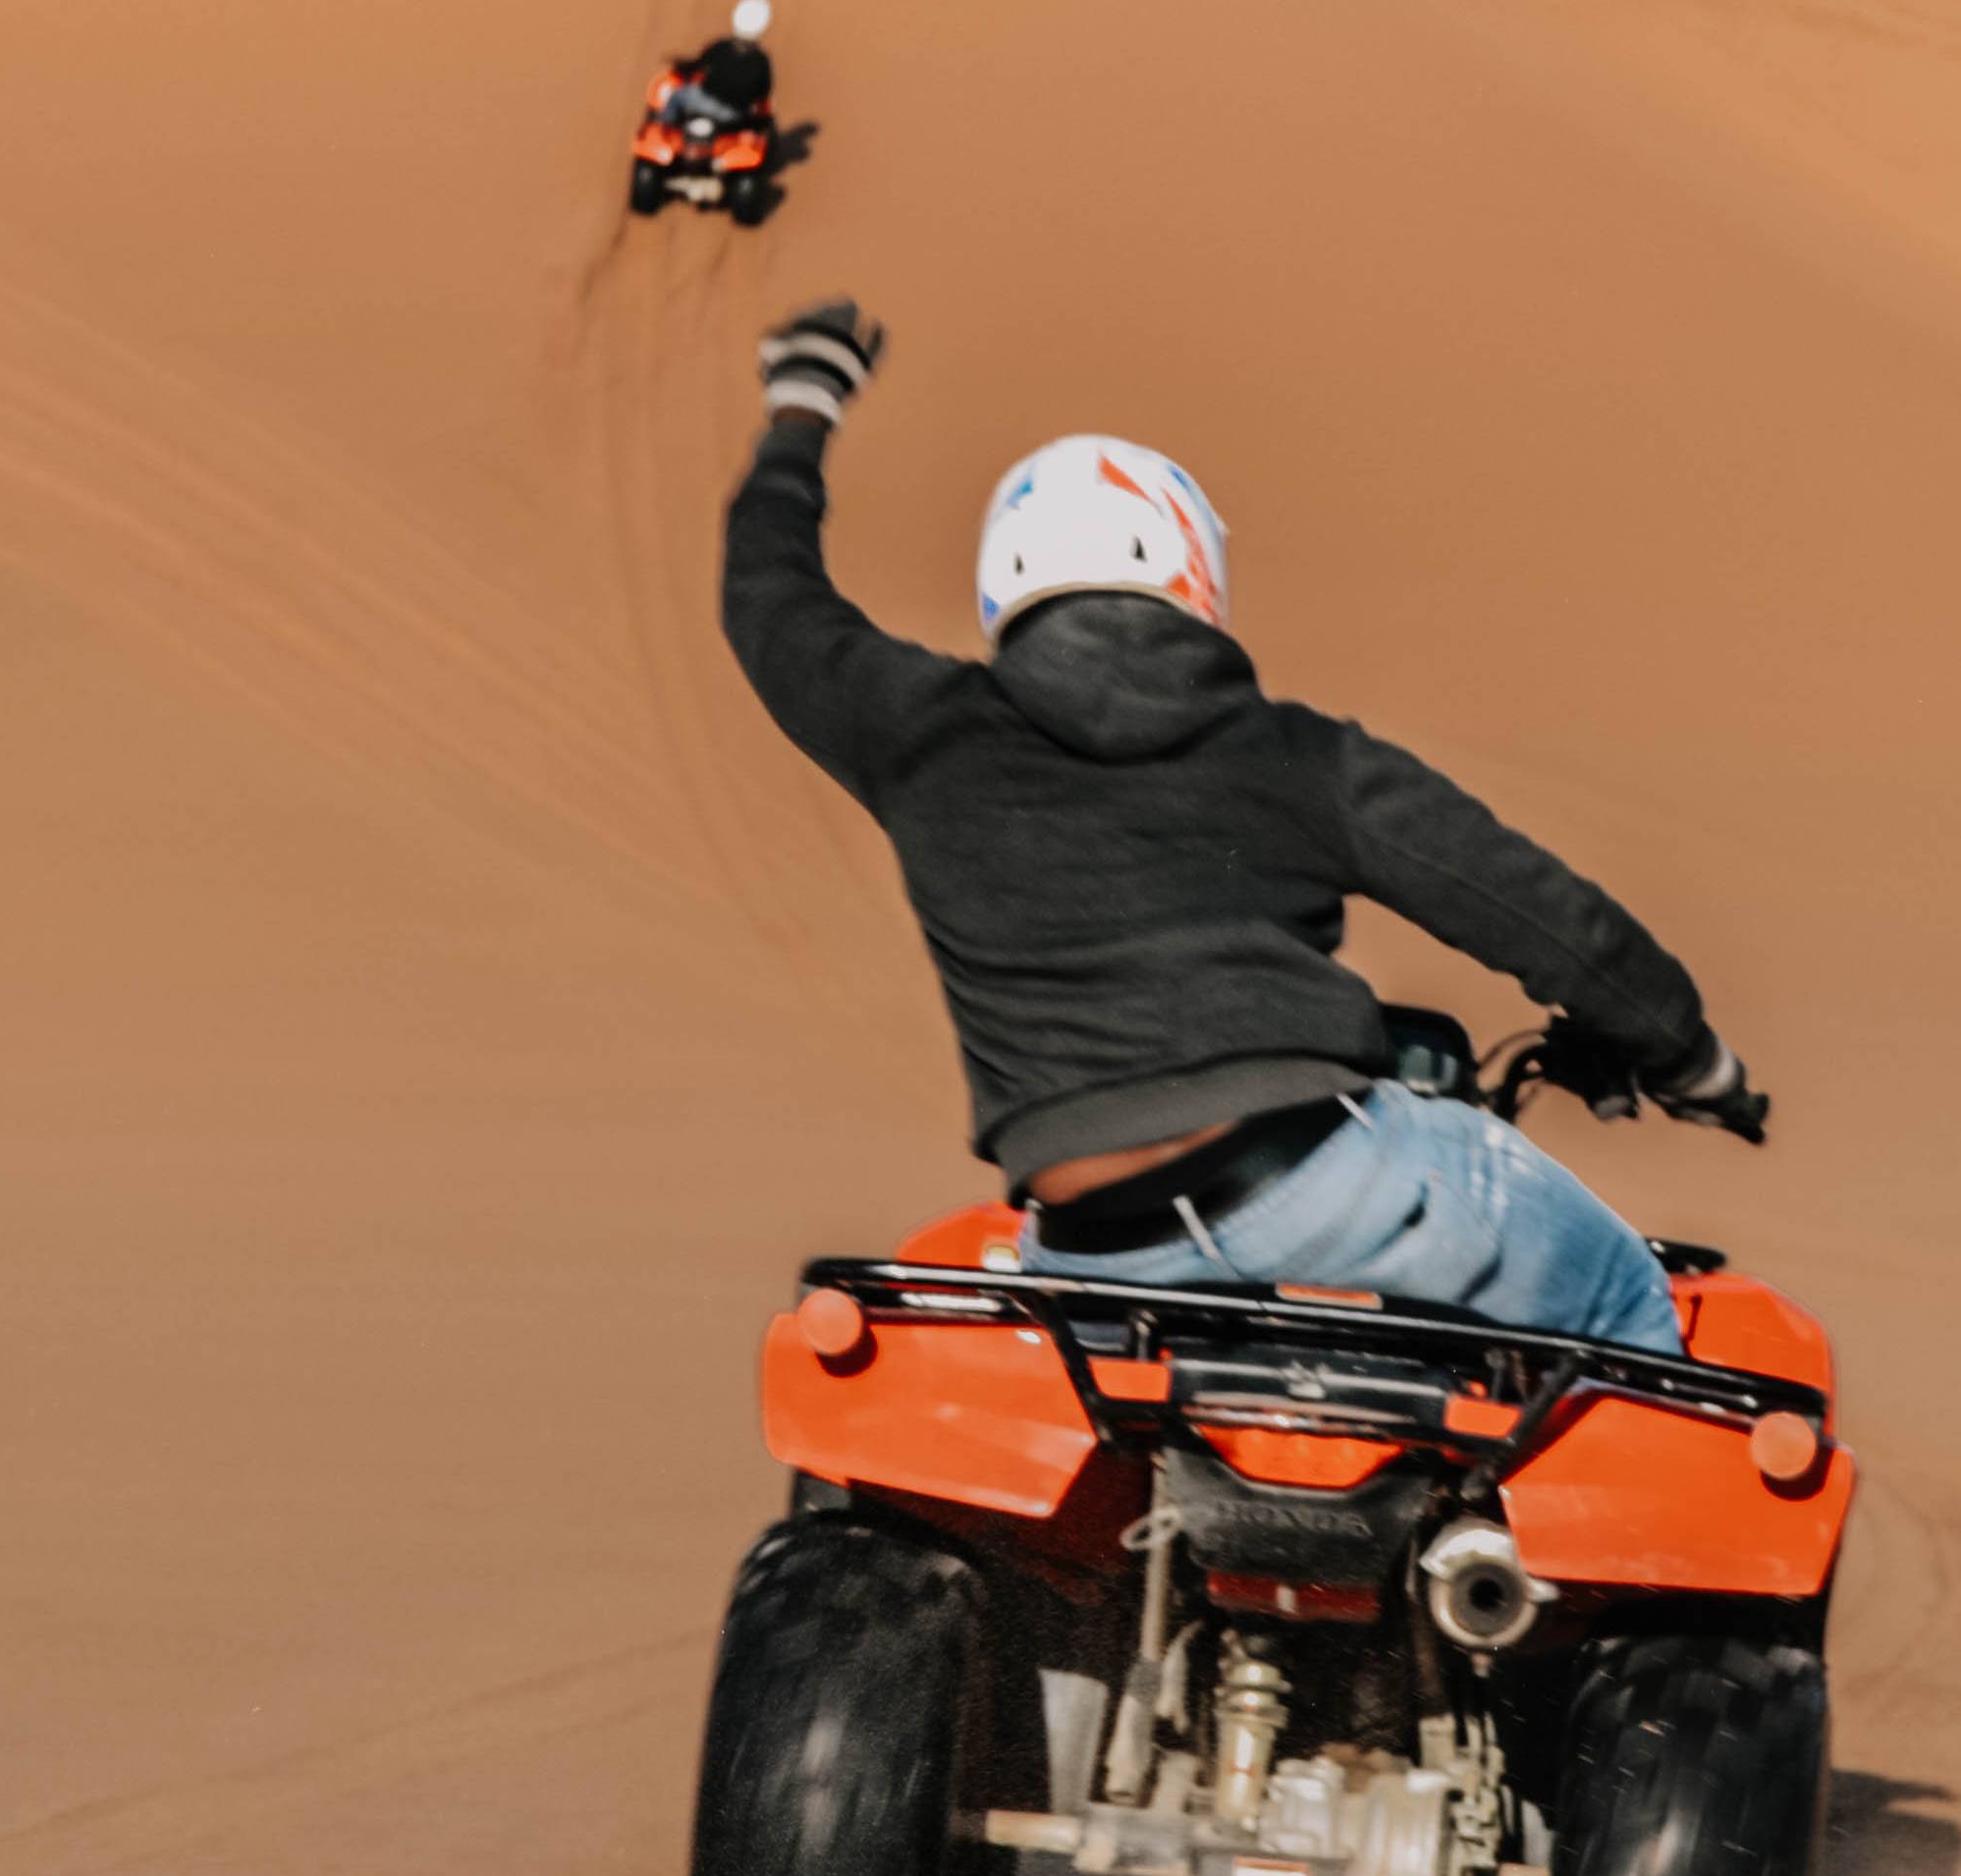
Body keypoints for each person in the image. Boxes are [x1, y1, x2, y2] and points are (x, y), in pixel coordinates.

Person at [719, 301, 1765, 1353]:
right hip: (1327, 1180)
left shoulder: (914, 731)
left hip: (1089, 1244)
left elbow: (769, 596)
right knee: (1626, 1304)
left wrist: (802, 407)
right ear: (1192, 574)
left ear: (1005, 583)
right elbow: (1532, 908)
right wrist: (1684, 1053)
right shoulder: (1294, 756)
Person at [670, 1, 776, 125]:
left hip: (701, 101)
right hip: (732, 115)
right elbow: (764, 91)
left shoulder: (720, 47)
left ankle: (662, 128)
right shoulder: (761, 60)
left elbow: (698, 65)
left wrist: (680, 65)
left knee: (676, 96)